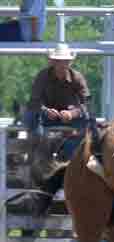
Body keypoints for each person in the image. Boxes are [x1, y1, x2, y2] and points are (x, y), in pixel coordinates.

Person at [7, 42, 91, 216]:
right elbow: (34, 101)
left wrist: (73, 113)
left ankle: (67, 156)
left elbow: (86, 104)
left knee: (87, 121)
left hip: (67, 117)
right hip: (46, 116)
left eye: (65, 61)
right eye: (59, 61)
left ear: (70, 63)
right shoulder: (42, 76)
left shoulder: (77, 78)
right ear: (52, 62)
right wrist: (46, 110)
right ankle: (38, 148)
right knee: (32, 116)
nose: (62, 64)